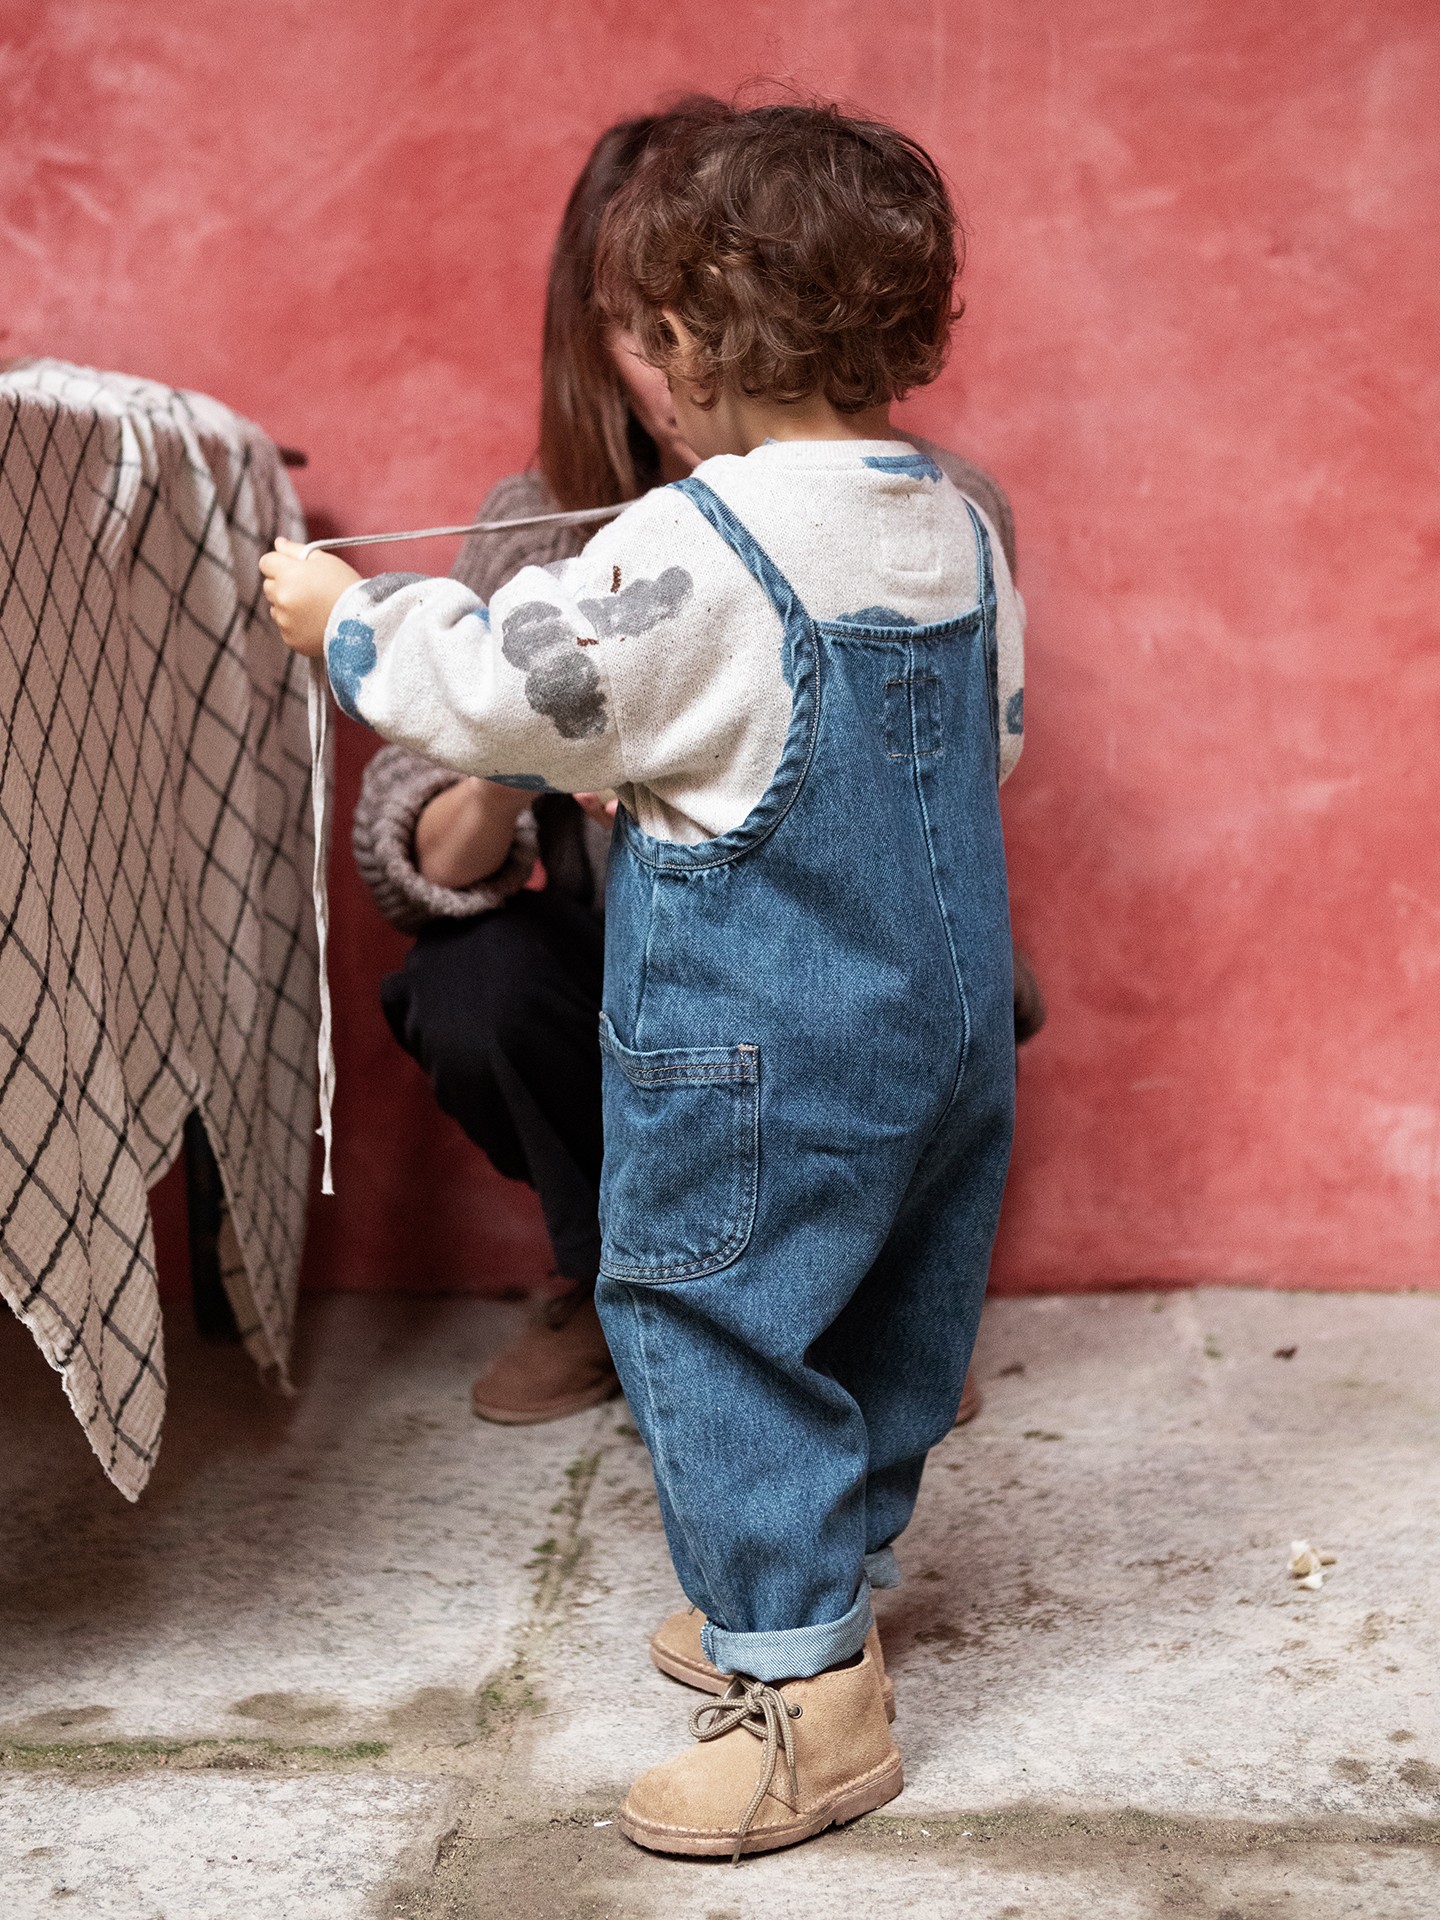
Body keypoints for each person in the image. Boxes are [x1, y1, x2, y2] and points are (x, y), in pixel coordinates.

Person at [263, 96, 1023, 1861]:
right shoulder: (958, 529)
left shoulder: (692, 543)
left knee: (707, 1318)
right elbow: (979, 750)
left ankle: (806, 1714)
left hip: (752, 1041)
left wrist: (349, 624)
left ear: (685, 341)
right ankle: (822, 1592)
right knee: (890, 1310)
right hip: (945, 1031)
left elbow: (505, 697)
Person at [347, 105, 1042, 1430]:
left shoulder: (939, 512)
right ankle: (631, 1292)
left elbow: (969, 758)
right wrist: (533, 761)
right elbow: (424, 844)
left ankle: (836, 1334)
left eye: (714, 315)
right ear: (609, 339)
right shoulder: (544, 523)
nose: (684, 364)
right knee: (473, 984)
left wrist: (348, 623)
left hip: (844, 972)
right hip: (649, 983)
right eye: (650, 327)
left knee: (879, 995)